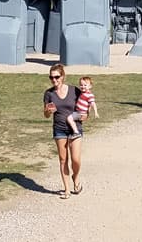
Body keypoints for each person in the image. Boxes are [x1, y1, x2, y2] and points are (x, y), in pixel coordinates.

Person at [43, 64, 84, 199]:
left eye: (57, 77)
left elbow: (84, 109)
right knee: (63, 159)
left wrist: (85, 115)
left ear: (63, 77)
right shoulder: (49, 94)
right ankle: (67, 189)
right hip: (59, 129)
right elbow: (47, 115)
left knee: (76, 160)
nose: (54, 80)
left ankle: (75, 177)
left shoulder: (74, 91)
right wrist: (47, 112)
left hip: (75, 128)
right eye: (51, 77)